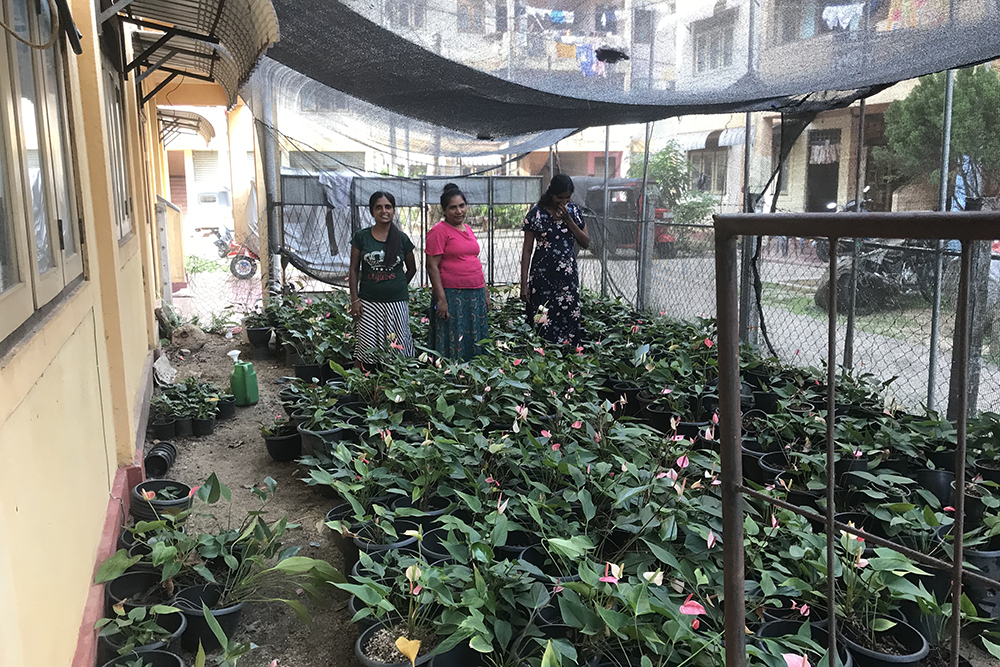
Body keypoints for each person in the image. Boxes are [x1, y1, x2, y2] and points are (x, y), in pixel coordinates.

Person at [348, 191, 417, 368]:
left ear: (393, 211)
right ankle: (360, 385)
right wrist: (354, 300)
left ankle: (397, 386)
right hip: (368, 303)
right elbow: (354, 270)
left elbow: (412, 269)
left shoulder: (402, 239)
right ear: (372, 212)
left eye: (388, 207)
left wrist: (396, 285)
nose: (383, 211)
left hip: (396, 303)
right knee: (365, 346)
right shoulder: (361, 237)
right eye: (378, 207)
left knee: (398, 347)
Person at [520, 174, 590, 344]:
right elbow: (527, 250)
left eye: (568, 197)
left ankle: (568, 354)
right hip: (542, 278)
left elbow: (586, 242)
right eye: (560, 197)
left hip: (567, 279)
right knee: (540, 317)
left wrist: (568, 220)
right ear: (551, 194)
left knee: (568, 315)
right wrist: (523, 285)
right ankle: (540, 350)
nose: (564, 201)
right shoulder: (536, 214)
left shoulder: (573, 211)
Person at [426, 183, 489, 360]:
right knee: (452, 335)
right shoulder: (439, 231)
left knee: (474, 335)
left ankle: (474, 376)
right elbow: (432, 266)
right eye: (452, 207)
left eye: (462, 205)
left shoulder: (467, 229)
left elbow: (474, 261)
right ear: (445, 210)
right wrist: (441, 298)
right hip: (452, 295)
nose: (459, 211)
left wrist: (485, 292)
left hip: (475, 294)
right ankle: (450, 377)